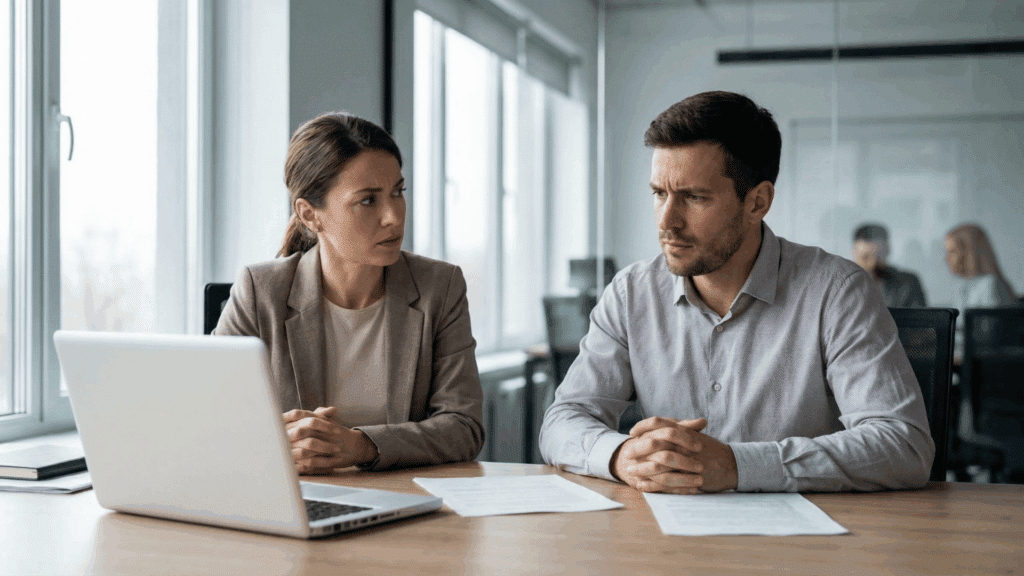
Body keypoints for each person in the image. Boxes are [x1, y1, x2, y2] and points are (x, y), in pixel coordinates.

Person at [539, 91, 933, 494]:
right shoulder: (630, 293)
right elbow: (563, 419)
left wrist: (737, 465)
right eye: (659, 193)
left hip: (803, 545)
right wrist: (622, 456)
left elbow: (904, 444)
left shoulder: (837, 292)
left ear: (757, 202)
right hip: (666, 539)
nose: (667, 221)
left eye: (694, 197)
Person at [214, 112, 485, 473]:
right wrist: (274, 443)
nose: (394, 216)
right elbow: (214, 423)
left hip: (406, 505)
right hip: (296, 500)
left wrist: (362, 446)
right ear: (311, 215)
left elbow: (464, 427)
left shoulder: (440, 287)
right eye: (369, 200)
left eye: (398, 192)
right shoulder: (259, 291)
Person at [943, 223, 1017, 362]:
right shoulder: (962, 286)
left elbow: (986, 339)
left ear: (969, 253)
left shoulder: (990, 285)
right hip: (970, 362)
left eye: (952, 251)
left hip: (988, 369)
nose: (946, 259)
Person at [851, 223, 927, 307]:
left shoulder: (908, 283)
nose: (872, 264)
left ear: (888, 250)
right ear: (854, 253)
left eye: (878, 257)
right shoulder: (843, 284)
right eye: (865, 257)